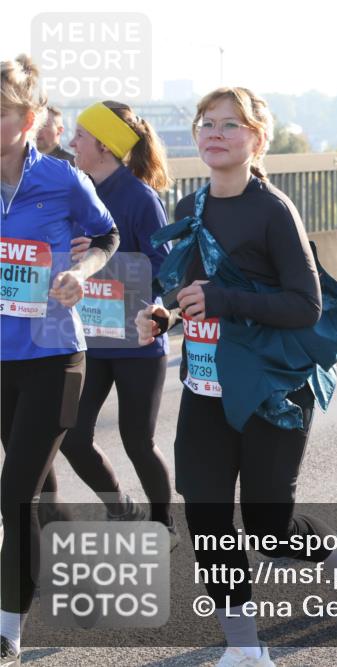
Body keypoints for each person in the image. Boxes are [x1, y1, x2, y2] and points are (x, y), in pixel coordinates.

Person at [135, 86, 337, 666]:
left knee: (268, 527)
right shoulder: (190, 208)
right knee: (207, 518)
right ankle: (245, 648)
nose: (215, 133)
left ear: (257, 139)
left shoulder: (273, 211)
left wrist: (224, 299)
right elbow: (183, 293)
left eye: (230, 125)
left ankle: (336, 555)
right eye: (206, 123)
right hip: (207, 388)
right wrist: (162, 317)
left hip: (272, 391)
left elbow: (305, 307)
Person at [0, 55, 119, 667]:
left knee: (13, 493)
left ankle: (7, 630)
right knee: (39, 489)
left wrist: (81, 271)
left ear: (27, 119)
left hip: (54, 353)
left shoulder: (64, 180)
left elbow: (107, 236)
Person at [38, 100, 175, 538]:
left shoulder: (139, 198)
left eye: (80, 135)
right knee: (73, 436)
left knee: (138, 441)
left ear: (104, 145)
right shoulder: (77, 188)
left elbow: (165, 268)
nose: (71, 141)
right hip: (90, 337)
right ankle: (122, 507)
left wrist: (101, 262)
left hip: (136, 340)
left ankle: (163, 523)